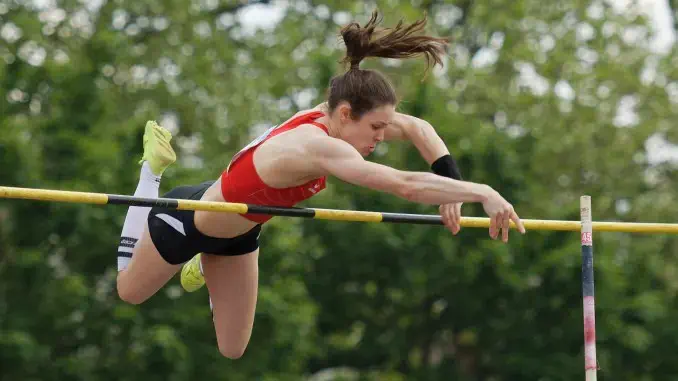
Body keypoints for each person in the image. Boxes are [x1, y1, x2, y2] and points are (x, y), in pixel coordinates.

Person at [115, 10, 526, 360]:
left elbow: (420, 128)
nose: (381, 137)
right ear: (345, 114)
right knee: (128, 292)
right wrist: (481, 192)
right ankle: (151, 173)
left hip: (241, 228)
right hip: (187, 219)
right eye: (376, 127)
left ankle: (205, 260)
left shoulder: (335, 118)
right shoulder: (316, 147)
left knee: (232, 349)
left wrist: (450, 186)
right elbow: (406, 186)